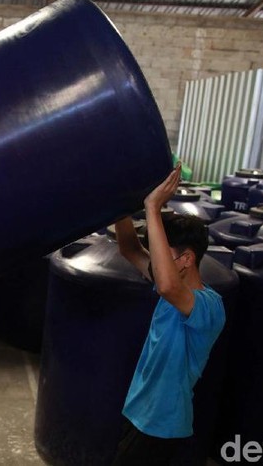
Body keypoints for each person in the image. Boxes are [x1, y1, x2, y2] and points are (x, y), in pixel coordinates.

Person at [111, 164, 226, 466]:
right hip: (139, 409)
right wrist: (120, 206)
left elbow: (167, 286)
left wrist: (152, 207)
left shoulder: (209, 306)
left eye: (164, 253)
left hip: (162, 423)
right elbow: (129, 249)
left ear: (186, 259)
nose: (157, 260)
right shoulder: (172, 288)